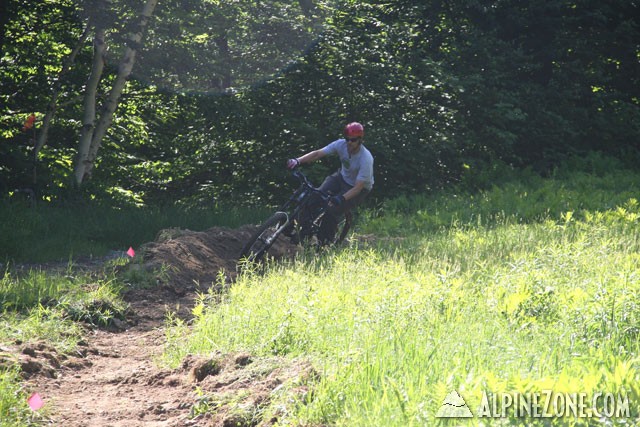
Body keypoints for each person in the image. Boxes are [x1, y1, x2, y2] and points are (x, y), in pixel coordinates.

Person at [286, 122, 374, 242]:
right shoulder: (340, 144)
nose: (349, 142)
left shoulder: (366, 159)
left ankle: (324, 244)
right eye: (347, 139)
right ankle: (301, 230)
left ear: (360, 140)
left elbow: (358, 188)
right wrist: (298, 160)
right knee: (314, 196)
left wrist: (341, 198)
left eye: (353, 140)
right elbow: (318, 153)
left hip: (358, 188)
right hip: (341, 177)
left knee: (332, 210)